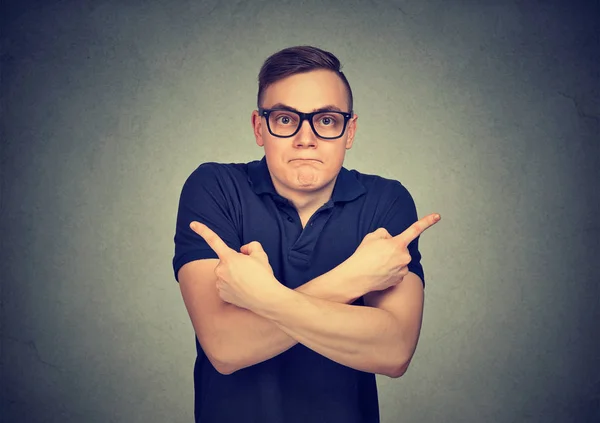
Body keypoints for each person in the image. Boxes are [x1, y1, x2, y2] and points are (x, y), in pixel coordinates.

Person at [172, 45, 440, 423]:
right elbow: (226, 347)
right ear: (259, 127)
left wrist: (262, 298)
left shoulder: (385, 201)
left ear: (350, 131)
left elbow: (394, 352)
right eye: (285, 119)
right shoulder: (215, 187)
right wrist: (352, 278)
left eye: (327, 120)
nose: (306, 138)